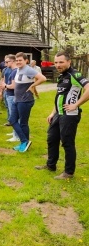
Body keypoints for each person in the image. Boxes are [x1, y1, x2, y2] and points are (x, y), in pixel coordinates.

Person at [35, 52, 89, 180]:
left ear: (69, 62)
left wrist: (76, 104)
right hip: (58, 114)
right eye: (56, 62)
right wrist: (53, 112)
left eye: (61, 62)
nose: (58, 65)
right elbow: (59, 96)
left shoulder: (74, 74)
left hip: (69, 115)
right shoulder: (61, 76)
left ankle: (68, 172)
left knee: (67, 143)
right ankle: (50, 165)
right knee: (52, 139)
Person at [8, 52, 46, 153]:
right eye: (17, 60)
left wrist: (33, 85)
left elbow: (43, 78)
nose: (18, 62)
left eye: (20, 60)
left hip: (25, 100)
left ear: (26, 60)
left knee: (23, 123)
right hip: (17, 100)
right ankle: (24, 141)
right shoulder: (18, 70)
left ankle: (24, 143)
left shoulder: (28, 69)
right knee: (12, 120)